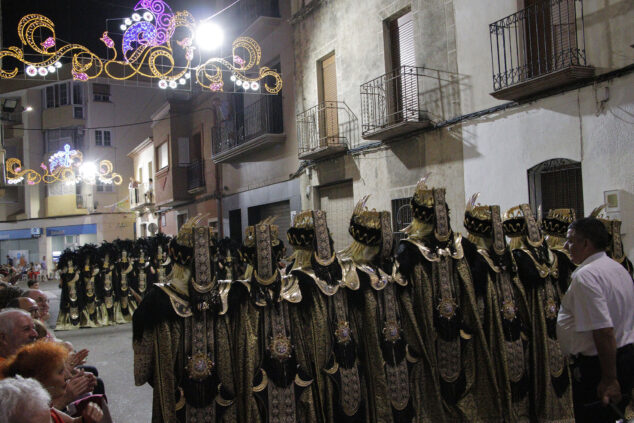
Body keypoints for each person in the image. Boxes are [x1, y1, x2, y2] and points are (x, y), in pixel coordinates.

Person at [557, 217, 634, 423]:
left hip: (601, 364)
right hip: (622, 355)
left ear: (586, 244)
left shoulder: (587, 276)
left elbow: (603, 330)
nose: (565, 246)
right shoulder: (617, 268)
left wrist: (609, 379)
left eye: (570, 240)